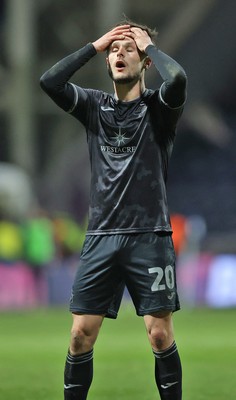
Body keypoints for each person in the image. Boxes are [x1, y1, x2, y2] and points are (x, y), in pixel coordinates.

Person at [40, 18, 187, 400]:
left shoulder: (160, 108)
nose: (120, 54)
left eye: (130, 49)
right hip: (101, 237)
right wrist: (95, 44)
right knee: (78, 336)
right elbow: (50, 82)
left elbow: (179, 79)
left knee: (159, 334)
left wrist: (150, 44)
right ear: (107, 61)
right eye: (115, 51)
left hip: (149, 237)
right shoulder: (94, 106)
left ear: (145, 62)